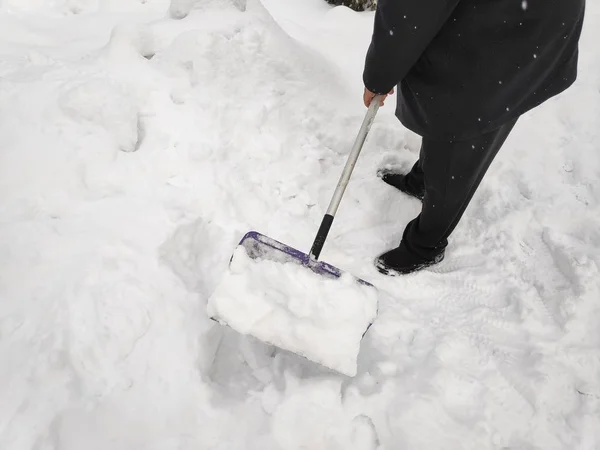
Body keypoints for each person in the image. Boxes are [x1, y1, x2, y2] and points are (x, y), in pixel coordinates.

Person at [362, 0, 586, 276]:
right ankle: (424, 179)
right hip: (526, 22)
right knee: (449, 117)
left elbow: (408, 16)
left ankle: (425, 245)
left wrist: (378, 78)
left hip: (507, 36)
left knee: (460, 129)